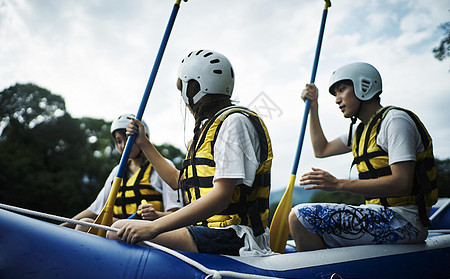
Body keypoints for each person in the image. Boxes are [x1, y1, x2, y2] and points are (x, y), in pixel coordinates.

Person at [107, 50, 273, 256]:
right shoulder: (208, 130)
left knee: (117, 230)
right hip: (210, 232)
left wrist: (154, 227)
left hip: (237, 236)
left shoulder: (234, 123)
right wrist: (144, 143)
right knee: (116, 229)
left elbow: (221, 197)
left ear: (191, 90)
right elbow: (179, 181)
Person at [289, 62, 438, 251]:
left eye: (342, 90)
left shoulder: (395, 121)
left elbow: (402, 183)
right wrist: (313, 107)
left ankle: (319, 277)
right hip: (379, 214)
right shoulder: (361, 131)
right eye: (335, 94)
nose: (337, 99)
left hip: (405, 222)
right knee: (302, 218)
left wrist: (339, 184)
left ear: (363, 86)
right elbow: (321, 149)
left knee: (301, 216)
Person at [61, 114, 182, 231]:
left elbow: (176, 214)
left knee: (86, 224)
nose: (124, 145)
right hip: (118, 231)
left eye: (130, 139)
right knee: (83, 225)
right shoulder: (117, 172)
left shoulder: (163, 167)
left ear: (142, 139)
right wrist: (61, 227)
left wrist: (156, 215)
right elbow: (95, 210)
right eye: (119, 141)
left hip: (147, 232)